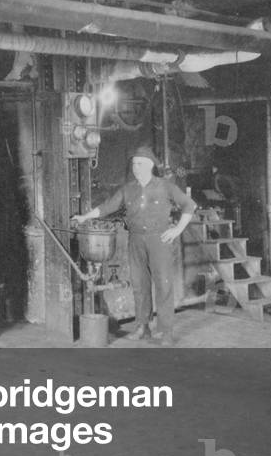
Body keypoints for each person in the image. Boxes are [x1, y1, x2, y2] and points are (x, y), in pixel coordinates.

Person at [71, 145, 196, 345]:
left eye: (139, 164)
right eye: (134, 164)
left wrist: (177, 230)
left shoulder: (165, 186)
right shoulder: (128, 189)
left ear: (150, 165)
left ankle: (166, 331)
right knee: (139, 285)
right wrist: (84, 217)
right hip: (136, 239)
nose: (135, 168)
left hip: (159, 240)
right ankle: (142, 327)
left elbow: (190, 205)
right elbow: (107, 207)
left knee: (163, 285)